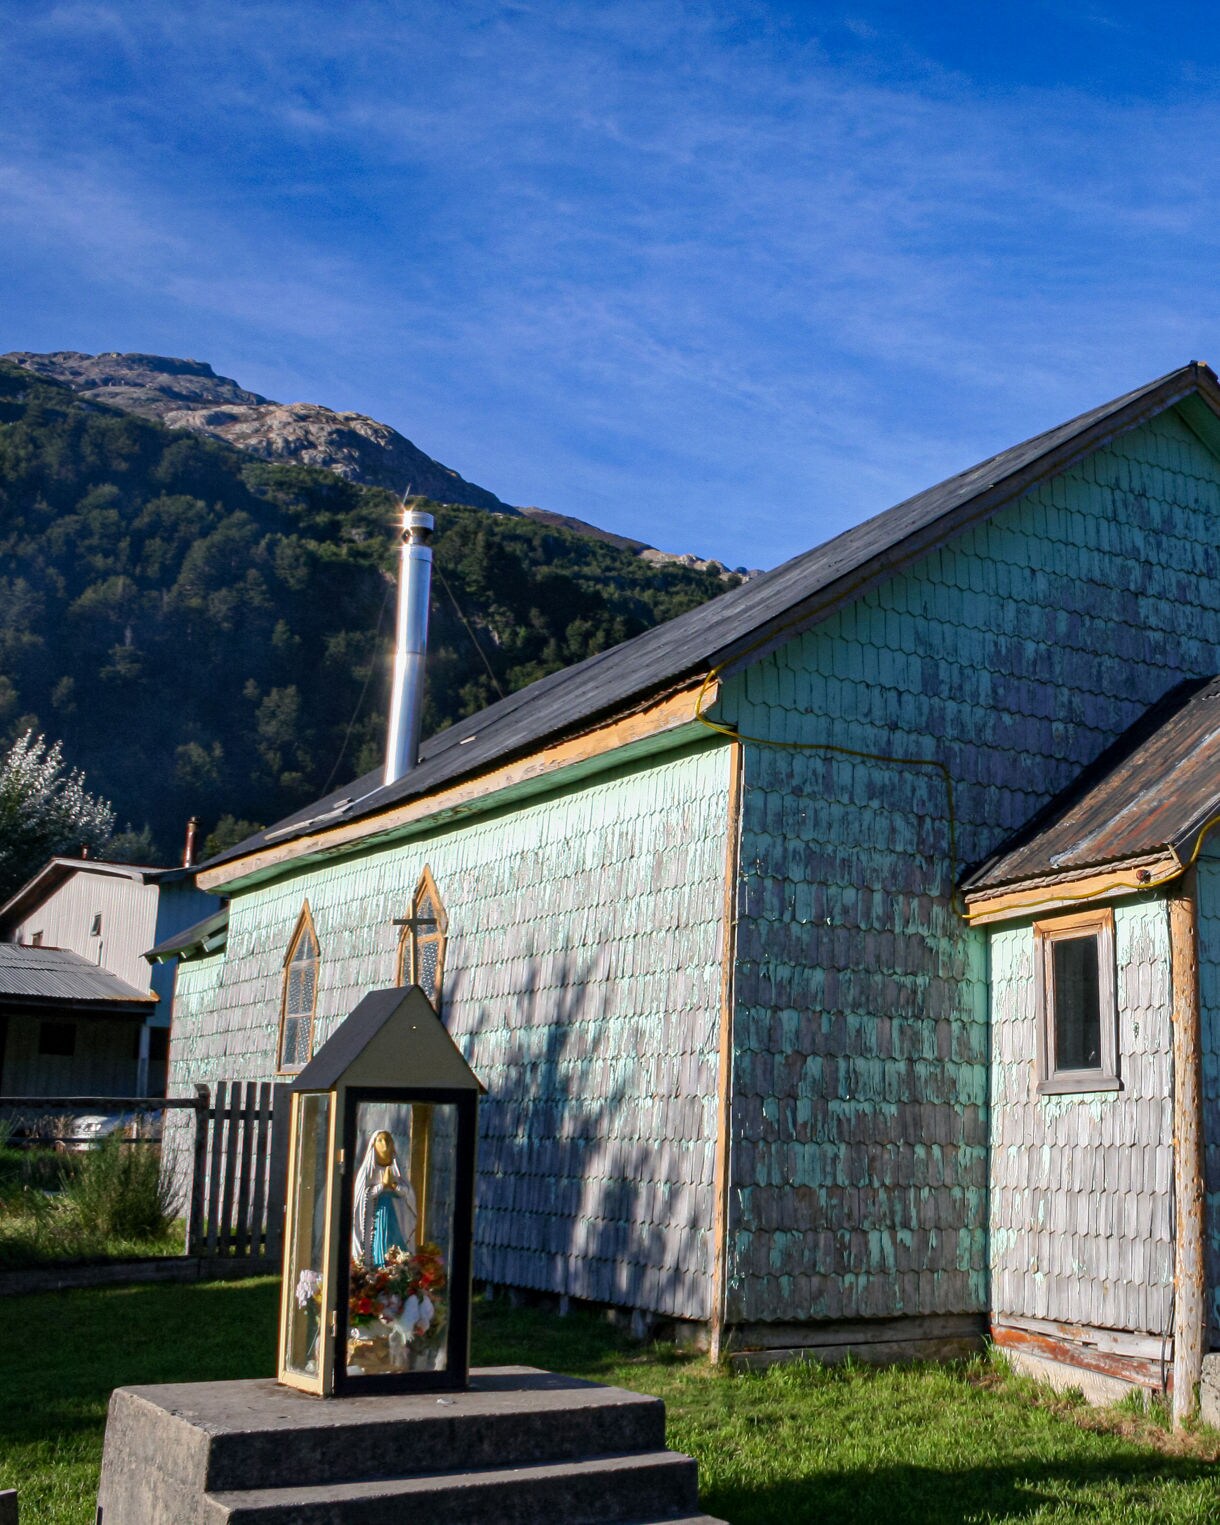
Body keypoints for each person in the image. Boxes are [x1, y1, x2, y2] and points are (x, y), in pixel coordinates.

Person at [351, 1128, 418, 1267]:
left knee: (393, 1245)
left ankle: (395, 1268)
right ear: (374, 1144)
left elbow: (407, 1194)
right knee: (377, 1245)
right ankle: (376, 1269)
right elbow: (362, 1197)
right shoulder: (367, 1171)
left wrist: (394, 1186)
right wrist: (382, 1185)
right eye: (380, 1140)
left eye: (387, 1140)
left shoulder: (397, 1170)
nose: (384, 1144)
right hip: (375, 1217)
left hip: (393, 1217)